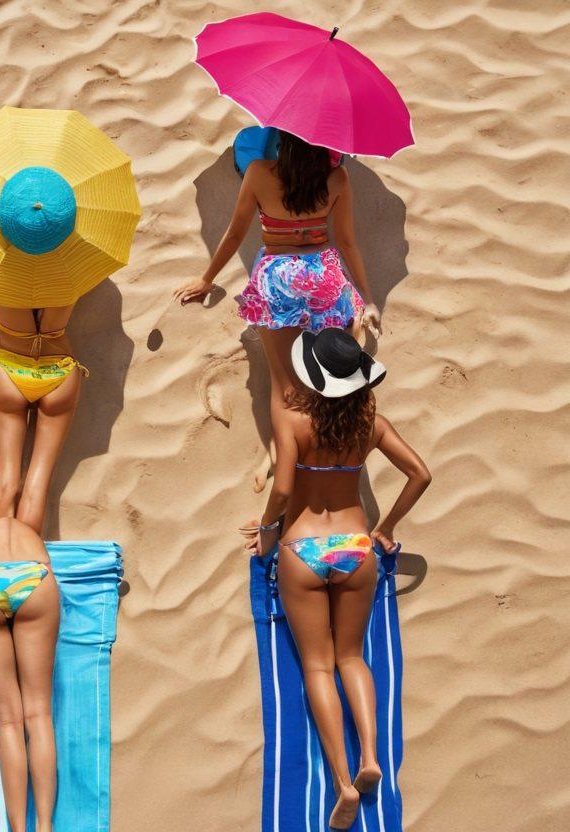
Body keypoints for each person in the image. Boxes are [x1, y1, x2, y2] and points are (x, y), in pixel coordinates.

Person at [247, 328, 430, 829]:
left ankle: (343, 781)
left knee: (317, 667)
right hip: (354, 547)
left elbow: (283, 489)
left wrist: (266, 531)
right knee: (351, 656)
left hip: (303, 549)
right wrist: (385, 527)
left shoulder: (293, 421)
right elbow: (421, 473)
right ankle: (371, 755)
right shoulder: (370, 425)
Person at [175, 131, 381, 436]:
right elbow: (348, 243)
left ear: (282, 141)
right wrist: (369, 298)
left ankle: (284, 455)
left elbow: (235, 234)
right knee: (326, 378)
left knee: (283, 385)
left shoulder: (259, 172)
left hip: (278, 279)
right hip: (322, 276)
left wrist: (207, 280)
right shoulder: (337, 178)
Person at [0, 516, 60, 832]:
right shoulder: (31, 520)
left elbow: (6, 482)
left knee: (7, 720)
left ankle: (19, 828)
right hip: (33, 577)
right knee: (39, 715)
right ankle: (44, 825)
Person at [0, 304, 85, 533]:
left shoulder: (4, 274)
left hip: (11, 371)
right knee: (36, 488)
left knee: (5, 483)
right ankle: (26, 564)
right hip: (58, 372)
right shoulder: (66, 274)